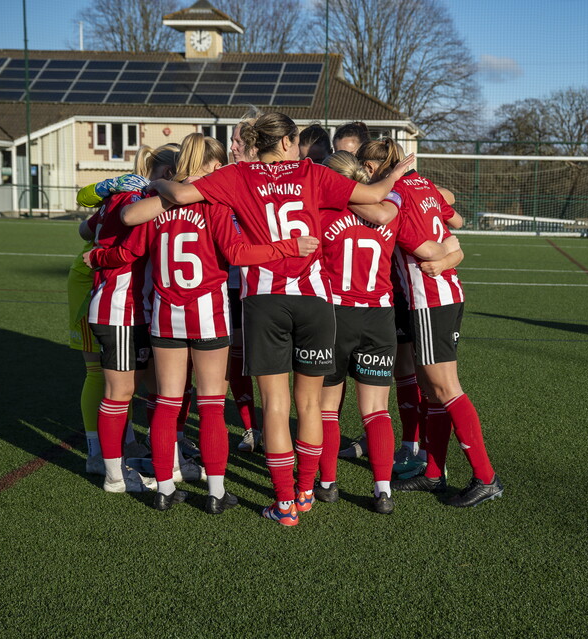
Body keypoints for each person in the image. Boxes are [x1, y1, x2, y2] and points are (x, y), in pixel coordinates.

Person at [124, 112, 415, 525]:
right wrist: (399, 173)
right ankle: (307, 490)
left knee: (275, 406)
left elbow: (182, 194)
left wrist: (157, 182)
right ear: (286, 143)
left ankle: (283, 505)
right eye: (295, 141)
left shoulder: (237, 176)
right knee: (311, 404)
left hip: (264, 301)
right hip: (314, 300)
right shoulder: (311, 172)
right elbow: (376, 197)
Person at [95, 133, 319, 512]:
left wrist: (99, 256)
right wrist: (286, 248)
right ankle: (216, 492)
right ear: (213, 165)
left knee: (166, 402)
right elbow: (238, 252)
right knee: (212, 405)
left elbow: (129, 237)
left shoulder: (160, 204)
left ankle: (165, 488)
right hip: (208, 313)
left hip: (166, 314)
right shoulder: (214, 201)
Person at [357, 139, 504, 508]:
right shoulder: (421, 184)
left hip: (430, 299)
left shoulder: (398, 197)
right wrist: (452, 254)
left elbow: (426, 249)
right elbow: (455, 220)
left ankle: (486, 477)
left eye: (364, 169)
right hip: (448, 294)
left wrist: (444, 257)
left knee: (446, 388)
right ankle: (434, 473)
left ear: (374, 169)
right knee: (431, 388)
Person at [316, 149, 457, 514]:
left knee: (327, 409)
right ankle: (382, 491)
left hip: (335, 315)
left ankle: (327, 483)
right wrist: (451, 253)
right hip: (379, 317)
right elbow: (431, 241)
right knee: (377, 410)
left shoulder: (323, 211)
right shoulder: (391, 213)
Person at [80, 144, 180, 495]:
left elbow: (85, 227)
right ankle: (114, 476)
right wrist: (101, 255)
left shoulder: (131, 196)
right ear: (169, 175)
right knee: (119, 393)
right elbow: (132, 248)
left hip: (134, 309)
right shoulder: (137, 202)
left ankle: (132, 460)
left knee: (138, 390)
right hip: (119, 308)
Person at [228, 116, 264, 454]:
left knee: (271, 364)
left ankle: (273, 425)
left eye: (239, 141)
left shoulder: (273, 182)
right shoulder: (227, 179)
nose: (233, 146)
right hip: (232, 286)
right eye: (232, 140)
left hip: (267, 289)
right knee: (236, 361)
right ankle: (252, 429)